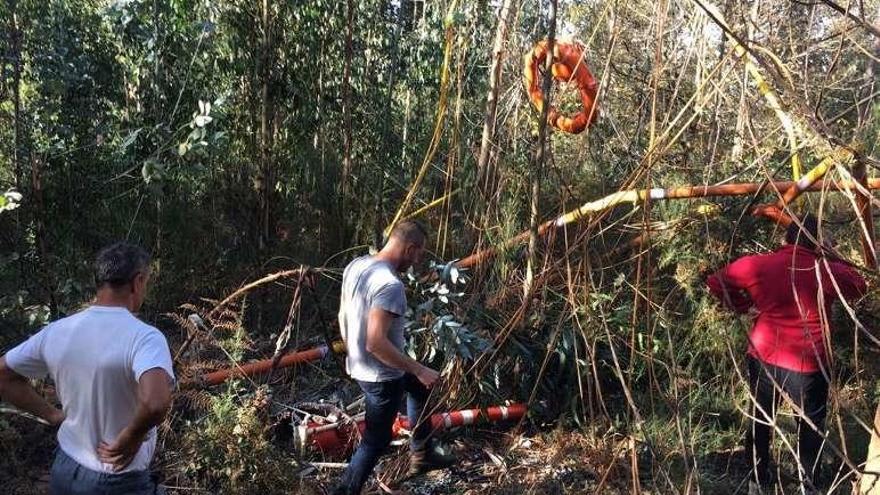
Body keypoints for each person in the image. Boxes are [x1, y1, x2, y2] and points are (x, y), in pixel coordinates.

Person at [707, 215, 867, 494]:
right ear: (819, 242)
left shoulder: (759, 264)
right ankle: (809, 484)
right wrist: (833, 255)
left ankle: (758, 480)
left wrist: (744, 305)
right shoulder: (823, 269)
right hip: (808, 363)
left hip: (763, 356)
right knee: (810, 425)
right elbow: (858, 285)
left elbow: (716, 281)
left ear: (786, 239)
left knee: (761, 416)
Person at [0, 242, 175, 495]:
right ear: (137, 282)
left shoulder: (58, 330)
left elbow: (3, 374)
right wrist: (132, 436)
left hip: (64, 466)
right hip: (117, 478)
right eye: (145, 283)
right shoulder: (145, 337)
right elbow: (156, 402)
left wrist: (52, 415)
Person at [333, 220, 455, 495]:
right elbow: (376, 342)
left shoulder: (357, 265)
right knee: (377, 439)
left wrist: (352, 350)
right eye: (419, 254)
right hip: (381, 375)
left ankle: (422, 454)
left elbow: (342, 314)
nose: (417, 261)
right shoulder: (390, 285)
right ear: (410, 249)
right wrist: (419, 369)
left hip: (364, 364)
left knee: (419, 388)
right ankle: (344, 491)